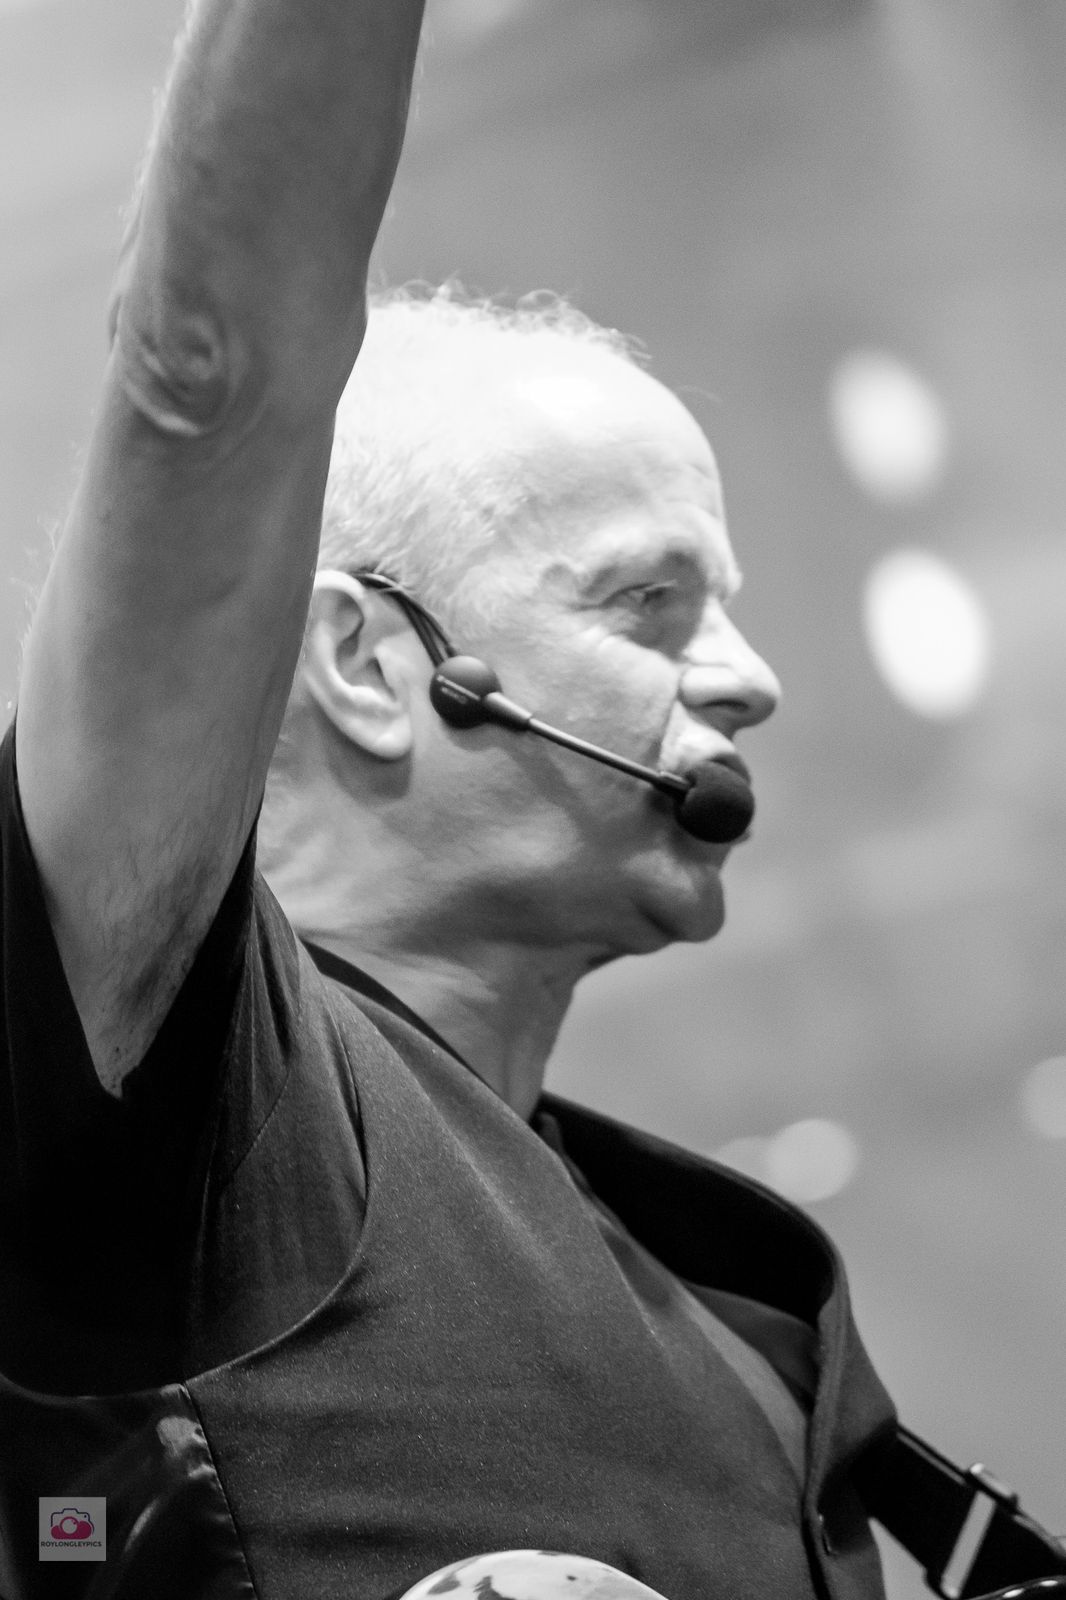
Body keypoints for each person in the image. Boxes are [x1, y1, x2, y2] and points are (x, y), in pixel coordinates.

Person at [0, 2, 902, 1597]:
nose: (749, 677)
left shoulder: (727, 1295)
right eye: (646, 604)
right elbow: (207, 383)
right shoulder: (201, 1082)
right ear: (363, 661)